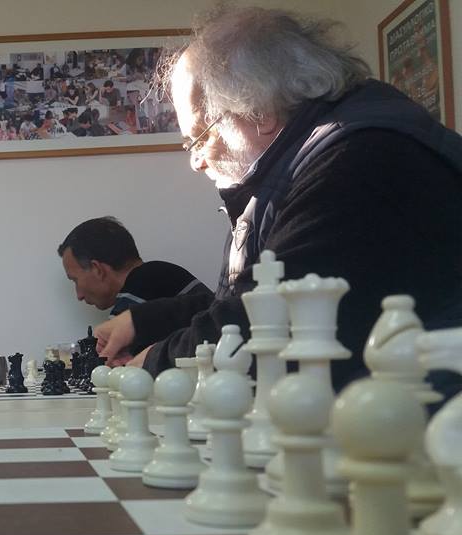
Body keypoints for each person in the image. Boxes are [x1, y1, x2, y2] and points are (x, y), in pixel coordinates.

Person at [95, 6, 462, 398]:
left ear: (258, 112)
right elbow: (248, 298)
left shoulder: (358, 163)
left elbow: (269, 325)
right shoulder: (301, 168)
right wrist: (142, 321)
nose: (196, 162)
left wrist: (158, 362)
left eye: (200, 137)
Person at [59, 217, 212, 350]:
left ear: (97, 269)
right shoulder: (158, 274)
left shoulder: (144, 280)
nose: (79, 295)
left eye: (75, 280)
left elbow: (107, 357)